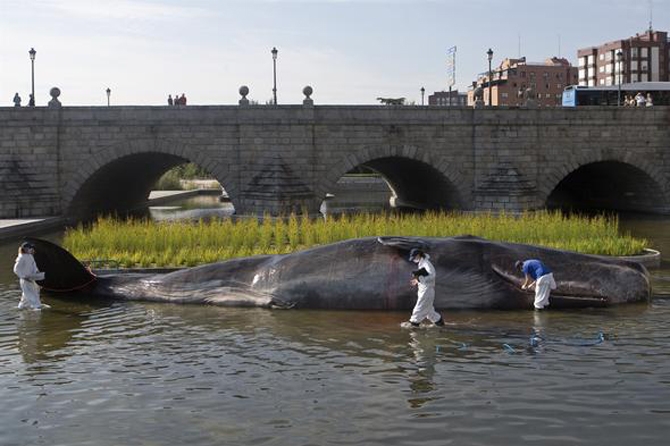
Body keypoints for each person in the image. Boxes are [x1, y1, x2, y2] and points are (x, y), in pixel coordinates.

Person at [407, 248, 444, 327]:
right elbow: (425, 276)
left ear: (418, 255)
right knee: (430, 313)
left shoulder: (426, 263)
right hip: (424, 291)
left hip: (427, 291)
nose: (413, 260)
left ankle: (413, 326)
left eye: (414, 257)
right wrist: (417, 281)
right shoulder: (422, 263)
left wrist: (419, 279)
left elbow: (432, 275)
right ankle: (441, 325)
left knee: (418, 309)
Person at [13, 242, 48, 310]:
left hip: (31, 278)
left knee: (30, 293)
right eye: (30, 248)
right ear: (25, 249)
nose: (31, 249)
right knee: (31, 294)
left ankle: (21, 306)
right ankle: (36, 306)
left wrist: (37, 272)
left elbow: (33, 265)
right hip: (25, 279)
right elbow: (15, 269)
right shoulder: (21, 258)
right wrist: (23, 277)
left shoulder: (30, 256)